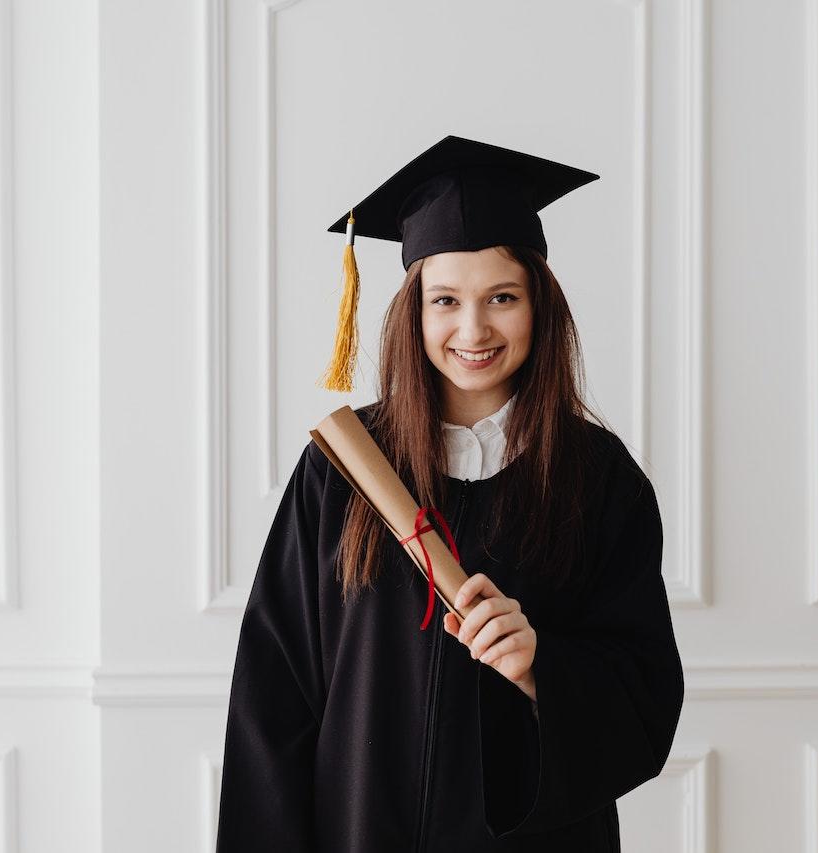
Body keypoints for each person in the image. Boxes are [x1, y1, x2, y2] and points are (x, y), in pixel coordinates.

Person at [215, 135, 684, 852]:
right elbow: (273, 700)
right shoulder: (344, 472)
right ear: (415, 312)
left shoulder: (599, 479)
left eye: (502, 296)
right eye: (445, 300)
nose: (473, 329)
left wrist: (540, 667)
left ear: (540, 306)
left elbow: (644, 697)